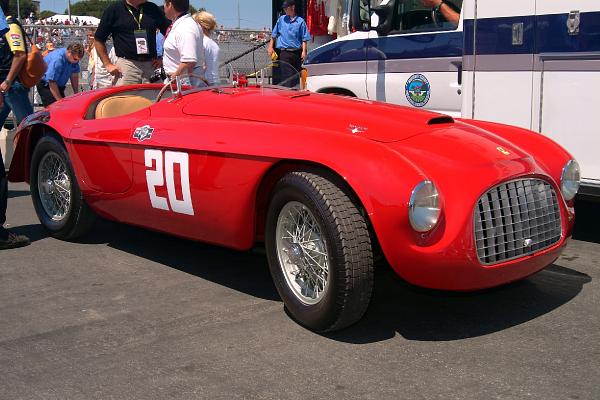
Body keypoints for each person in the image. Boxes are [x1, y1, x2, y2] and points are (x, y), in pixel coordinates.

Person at [0, 1, 30, 249]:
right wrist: (7, 83)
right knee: (30, 126)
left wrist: (7, 81)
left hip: (8, 86)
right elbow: (19, 55)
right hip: (7, 87)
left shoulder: (11, 26)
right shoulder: (8, 24)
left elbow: (20, 54)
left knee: (28, 126)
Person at [94, 0, 170, 85]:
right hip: (126, 66)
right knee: (126, 97)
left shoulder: (153, 9)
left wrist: (162, 58)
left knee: (154, 97)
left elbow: (170, 33)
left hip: (151, 66)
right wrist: (108, 64)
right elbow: (98, 39)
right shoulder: (114, 10)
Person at [268, 0, 311, 88]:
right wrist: (270, 47)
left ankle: (295, 94)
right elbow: (274, 34)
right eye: (283, 8)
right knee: (287, 76)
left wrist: (304, 51)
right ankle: (287, 95)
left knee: (296, 75)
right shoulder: (281, 19)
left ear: (292, 7)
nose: (284, 10)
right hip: (285, 53)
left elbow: (304, 38)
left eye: (286, 8)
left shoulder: (300, 21)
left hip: (297, 53)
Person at [162, 0, 204, 85]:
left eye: (164, 4)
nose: (163, 8)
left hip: (182, 82)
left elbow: (189, 61)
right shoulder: (184, 24)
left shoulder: (185, 27)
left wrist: (172, 79)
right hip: (181, 80)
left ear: (169, 4)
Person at [193, 10, 219, 86]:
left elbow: (203, 66)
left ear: (201, 26)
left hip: (205, 83)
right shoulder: (213, 43)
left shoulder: (201, 42)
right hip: (215, 81)